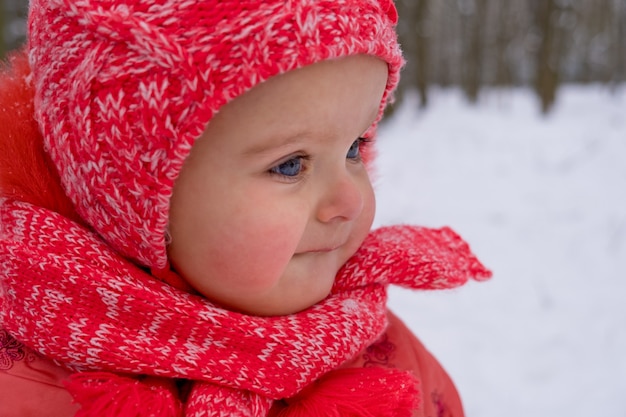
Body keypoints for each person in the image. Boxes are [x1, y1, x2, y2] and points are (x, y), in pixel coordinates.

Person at [0, 0, 491, 416]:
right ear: (130, 194)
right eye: (290, 166)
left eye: (354, 148)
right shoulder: (33, 385)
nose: (351, 199)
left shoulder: (377, 350)